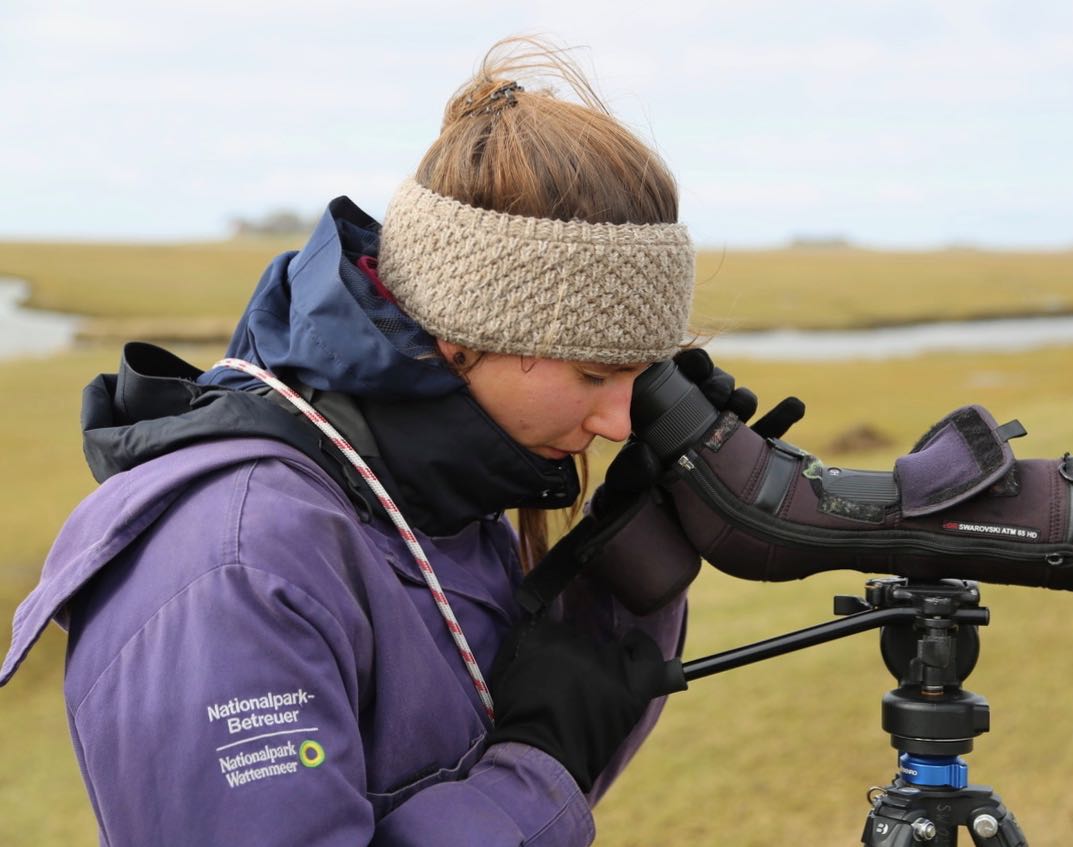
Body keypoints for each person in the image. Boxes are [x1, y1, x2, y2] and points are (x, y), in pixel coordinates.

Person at [0, 37, 716, 845]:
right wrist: (541, 758)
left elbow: (492, 749)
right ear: (465, 335)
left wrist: (622, 582)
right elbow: (518, 771)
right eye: (594, 376)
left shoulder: (431, 497)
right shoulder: (238, 565)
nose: (620, 423)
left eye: (641, 375)